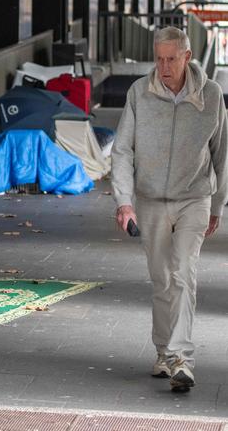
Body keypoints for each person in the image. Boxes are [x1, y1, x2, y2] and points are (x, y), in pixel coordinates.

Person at [111, 26, 228, 392]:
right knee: (162, 279)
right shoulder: (139, 94)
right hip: (149, 200)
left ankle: (182, 358)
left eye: (171, 59)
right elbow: (122, 150)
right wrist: (124, 202)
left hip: (194, 197)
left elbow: (222, 154)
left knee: (182, 274)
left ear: (187, 57)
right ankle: (164, 352)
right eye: (158, 58)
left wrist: (218, 206)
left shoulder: (211, 95)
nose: (163, 67)